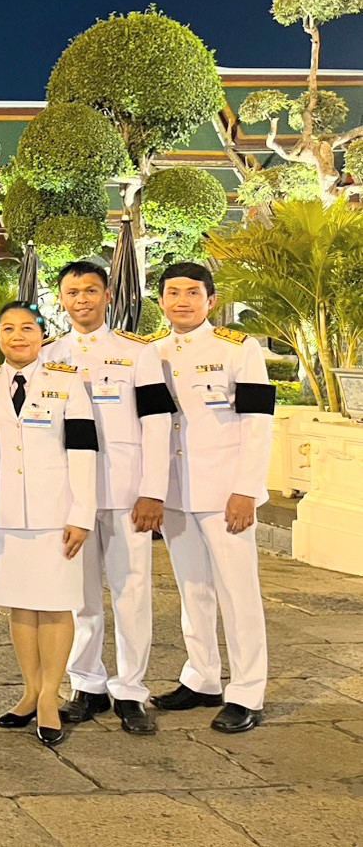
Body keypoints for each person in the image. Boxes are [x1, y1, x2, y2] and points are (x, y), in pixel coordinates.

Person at [45, 261, 176, 736]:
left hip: (126, 492)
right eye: (73, 291)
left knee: (132, 590)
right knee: (79, 595)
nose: (82, 299)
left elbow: (157, 424)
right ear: (61, 298)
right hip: (71, 496)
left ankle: (131, 689)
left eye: (91, 290)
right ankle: (87, 682)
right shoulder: (49, 354)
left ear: (106, 295)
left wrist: (153, 491)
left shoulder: (136, 353)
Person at [149, 262, 274, 734]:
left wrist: (246, 489)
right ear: (160, 301)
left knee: (238, 592)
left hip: (225, 492)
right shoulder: (153, 353)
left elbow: (258, 424)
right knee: (193, 589)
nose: (182, 300)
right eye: (173, 292)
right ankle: (201, 676)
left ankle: (246, 691)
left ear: (211, 300)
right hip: (177, 492)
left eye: (193, 292)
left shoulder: (239, 349)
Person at [0, 302, 97, 748]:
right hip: (2, 514)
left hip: (54, 512)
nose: (17, 336)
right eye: (8, 328)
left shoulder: (66, 382)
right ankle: (29, 691)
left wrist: (82, 513)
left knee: (56, 605)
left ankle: (50, 697)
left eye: (27, 328)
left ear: (43, 335)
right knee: (21, 605)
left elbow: (84, 450)